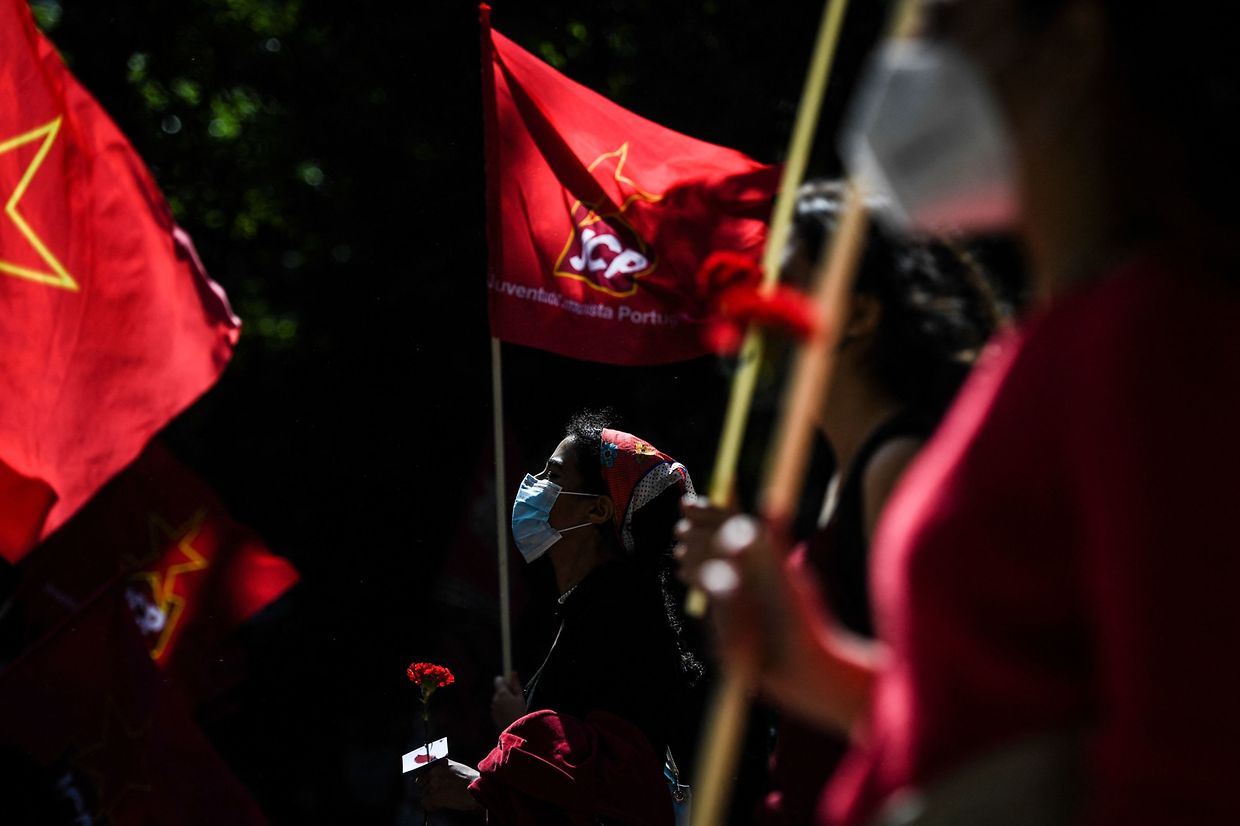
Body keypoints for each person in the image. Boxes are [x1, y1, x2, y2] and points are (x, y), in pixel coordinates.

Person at [678, 1, 1240, 824]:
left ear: (1074, 41)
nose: (908, 57)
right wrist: (821, 669)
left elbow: (1190, 763)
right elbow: (996, 726)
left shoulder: (1154, 332)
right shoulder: (1045, 345)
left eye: (945, 21)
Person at [752, 178, 1001, 825]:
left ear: (859, 316)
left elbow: (946, 704)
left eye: (787, 282)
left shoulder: (897, 469)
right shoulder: (841, 476)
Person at [421, 409, 703, 823]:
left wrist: (514, 735)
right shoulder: (589, 608)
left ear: (597, 511)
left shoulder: (620, 625)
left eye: (552, 476)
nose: (533, 486)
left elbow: (607, 784)